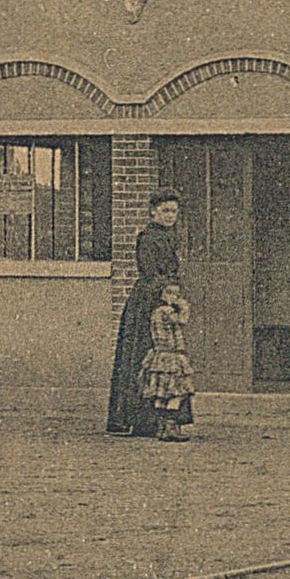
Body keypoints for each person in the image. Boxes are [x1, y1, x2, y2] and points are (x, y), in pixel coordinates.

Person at [108, 189, 186, 437]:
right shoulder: (148, 238)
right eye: (164, 210)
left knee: (167, 360)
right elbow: (150, 273)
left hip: (165, 298)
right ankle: (138, 419)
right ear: (153, 212)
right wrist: (165, 296)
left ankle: (163, 419)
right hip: (147, 303)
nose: (169, 215)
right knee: (144, 358)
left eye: (173, 211)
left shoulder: (170, 237)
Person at [140, 278, 195, 442]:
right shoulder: (166, 311)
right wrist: (184, 307)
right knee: (176, 393)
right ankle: (170, 427)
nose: (176, 298)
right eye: (172, 294)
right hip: (170, 356)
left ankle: (161, 427)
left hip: (158, 356)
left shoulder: (156, 312)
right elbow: (182, 320)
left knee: (161, 394)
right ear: (164, 295)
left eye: (177, 295)